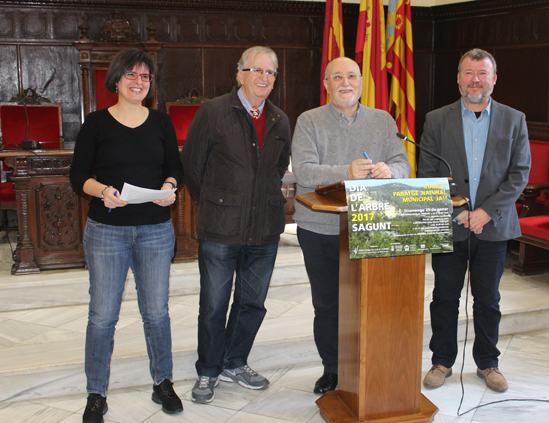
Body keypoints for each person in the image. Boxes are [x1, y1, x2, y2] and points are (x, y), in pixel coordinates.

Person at [69, 48, 184, 423]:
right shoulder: (96, 123)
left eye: (145, 76)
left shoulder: (161, 122)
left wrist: (168, 187)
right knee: (103, 316)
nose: (139, 82)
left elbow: (174, 168)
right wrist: (103, 191)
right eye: (131, 75)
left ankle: (162, 382)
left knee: (156, 313)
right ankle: (96, 393)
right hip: (107, 232)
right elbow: (78, 175)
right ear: (116, 79)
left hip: (155, 230)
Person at [292, 56, 411, 394]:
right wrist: (346, 171)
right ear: (326, 85)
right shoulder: (308, 120)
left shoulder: (383, 120)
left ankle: (368, 363)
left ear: (361, 81)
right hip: (319, 228)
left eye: (352, 76)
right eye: (337, 77)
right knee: (328, 304)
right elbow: (304, 170)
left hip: (373, 226)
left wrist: (391, 171)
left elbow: (402, 163)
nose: (345, 83)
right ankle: (332, 369)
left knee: (370, 302)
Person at [181, 46, 291, 404]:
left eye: (270, 72)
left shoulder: (280, 119)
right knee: (214, 305)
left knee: (252, 303)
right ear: (239, 74)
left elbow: (277, 169)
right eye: (256, 70)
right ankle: (208, 369)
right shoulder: (213, 112)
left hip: (264, 229)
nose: (263, 77)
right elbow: (193, 167)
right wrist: (220, 202)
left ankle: (235, 361)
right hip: (220, 228)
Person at [418, 48, 530, 392]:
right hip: (451, 225)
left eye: (482, 73)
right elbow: (428, 174)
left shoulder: (514, 119)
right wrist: (458, 211)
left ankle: (488, 363)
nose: (475, 80)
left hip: (494, 226)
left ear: (494, 79)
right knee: (444, 298)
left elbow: (519, 173)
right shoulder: (437, 119)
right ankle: (442, 361)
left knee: (488, 300)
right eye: (469, 73)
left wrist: (485, 212)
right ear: (458, 78)